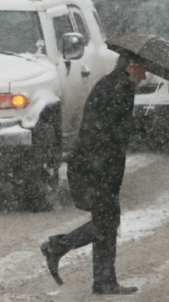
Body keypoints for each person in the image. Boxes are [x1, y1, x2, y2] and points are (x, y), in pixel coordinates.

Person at [39, 54, 148, 295]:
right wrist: (137, 125)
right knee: (107, 222)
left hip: (99, 164)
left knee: (107, 220)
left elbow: (112, 126)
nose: (146, 74)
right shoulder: (118, 88)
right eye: (143, 68)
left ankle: (103, 280)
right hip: (97, 166)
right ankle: (58, 247)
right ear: (131, 65)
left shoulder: (115, 85)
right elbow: (109, 129)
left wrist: (135, 124)